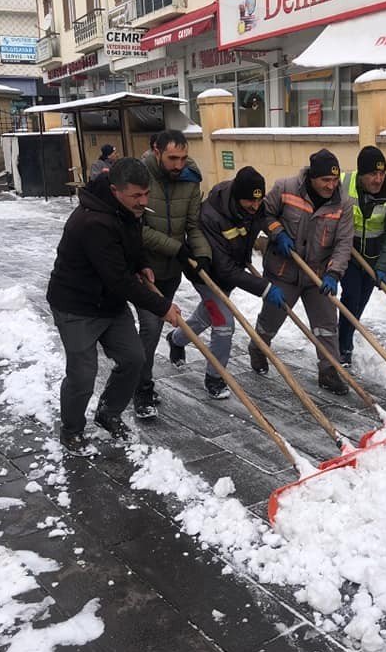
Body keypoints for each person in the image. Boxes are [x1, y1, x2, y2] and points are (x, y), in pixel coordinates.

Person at [46, 158, 181, 456]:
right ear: (115, 190)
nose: (143, 201)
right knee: (82, 374)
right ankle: (71, 430)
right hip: (76, 305)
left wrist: (143, 264)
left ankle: (108, 413)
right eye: (136, 195)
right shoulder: (94, 222)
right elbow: (119, 279)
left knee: (134, 358)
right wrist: (162, 306)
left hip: (108, 301)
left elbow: (132, 246)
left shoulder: (126, 210)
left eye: (146, 194)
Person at [164, 166, 285, 399]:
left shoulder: (254, 205)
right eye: (249, 201)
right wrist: (264, 288)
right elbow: (224, 269)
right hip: (206, 274)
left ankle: (177, 339)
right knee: (223, 325)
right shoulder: (211, 215)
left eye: (258, 201)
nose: (255, 206)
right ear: (238, 196)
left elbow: (264, 218)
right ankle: (215, 378)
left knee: (208, 315)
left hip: (231, 269)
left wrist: (276, 234)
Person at [248, 149, 353, 395]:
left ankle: (329, 371)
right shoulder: (285, 188)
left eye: (335, 180)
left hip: (317, 274)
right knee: (271, 318)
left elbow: (344, 243)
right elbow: (264, 214)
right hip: (284, 270)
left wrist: (334, 273)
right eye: (326, 180)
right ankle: (258, 347)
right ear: (312, 178)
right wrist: (277, 232)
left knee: (327, 325)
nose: (331, 185)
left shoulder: (343, 203)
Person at [133, 129, 212, 418]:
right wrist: (175, 247)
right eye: (172, 158)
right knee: (151, 328)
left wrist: (201, 253)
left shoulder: (190, 179)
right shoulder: (139, 177)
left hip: (170, 271)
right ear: (156, 151)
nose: (178, 165)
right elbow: (136, 229)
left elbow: (193, 224)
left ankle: (137, 374)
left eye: (183, 157)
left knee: (152, 328)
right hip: (142, 269)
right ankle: (141, 388)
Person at [337, 146, 386, 366]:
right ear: (361, 174)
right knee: (351, 296)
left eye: (381, 173)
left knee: (360, 303)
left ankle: (344, 335)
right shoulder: (343, 184)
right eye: (372, 174)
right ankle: (343, 347)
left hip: (373, 256)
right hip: (347, 250)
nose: (378, 179)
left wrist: (384, 266)